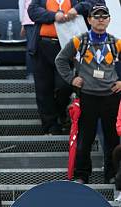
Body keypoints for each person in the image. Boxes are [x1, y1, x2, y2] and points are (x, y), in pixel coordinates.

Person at [56, 5, 121, 184]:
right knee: (85, 138)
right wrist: (71, 79)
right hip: (87, 96)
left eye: (104, 16)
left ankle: (113, 174)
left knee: (112, 139)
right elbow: (60, 59)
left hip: (110, 97)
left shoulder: (116, 42)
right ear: (89, 20)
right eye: (96, 16)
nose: (100, 19)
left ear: (109, 20)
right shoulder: (80, 41)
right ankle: (82, 174)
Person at [28, 0, 91, 135]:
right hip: (42, 46)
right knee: (43, 89)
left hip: (67, 48)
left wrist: (77, 9)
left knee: (65, 85)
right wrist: (54, 16)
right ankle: (50, 126)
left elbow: (93, 3)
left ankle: (60, 113)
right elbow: (32, 11)